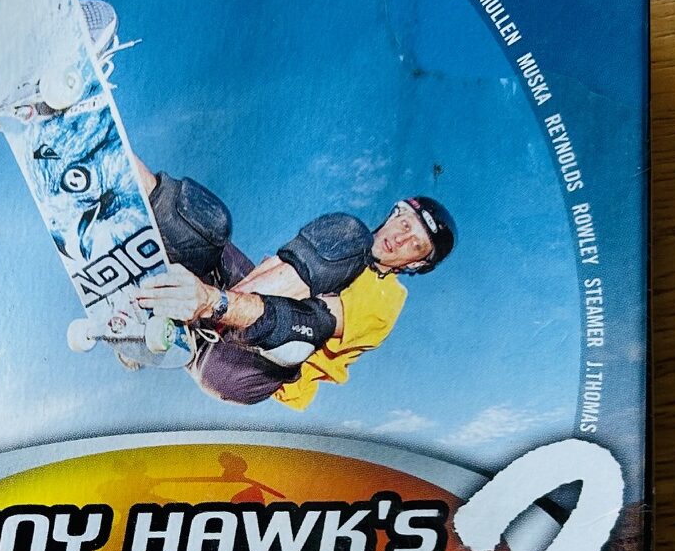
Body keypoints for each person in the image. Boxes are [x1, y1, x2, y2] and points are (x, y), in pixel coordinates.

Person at [128, 158, 456, 409]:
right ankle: (121, 171)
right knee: (205, 225)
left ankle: (196, 313)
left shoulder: (386, 300)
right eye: (404, 224)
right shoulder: (340, 246)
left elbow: (313, 321)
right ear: (394, 214)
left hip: (240, 367)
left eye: (415, 245)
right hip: (223, 312)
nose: (400, 239)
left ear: (415, 263)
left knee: (346, 239)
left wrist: (213, 303)